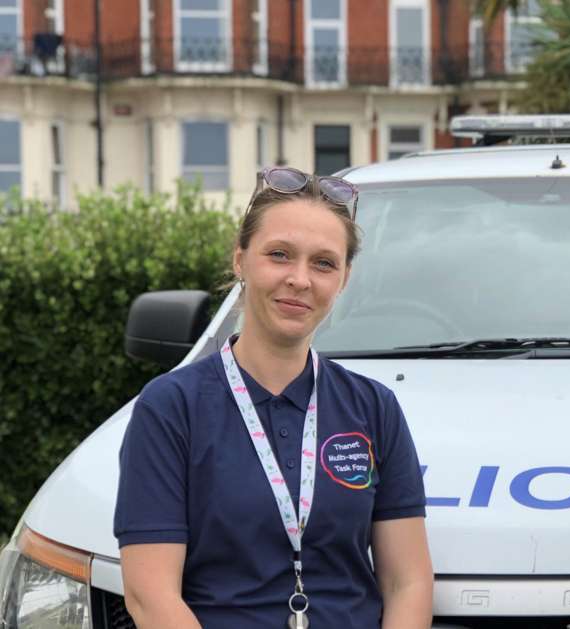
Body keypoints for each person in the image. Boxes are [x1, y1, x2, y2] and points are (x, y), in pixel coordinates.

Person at [114, 167, 433, 628]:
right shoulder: (171, 407)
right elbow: (149, 595)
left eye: (324, 263)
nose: (300, 279)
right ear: (241, 259)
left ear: (343, 279)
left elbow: (409, 583)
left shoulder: (373, 407)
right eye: (279, 255)